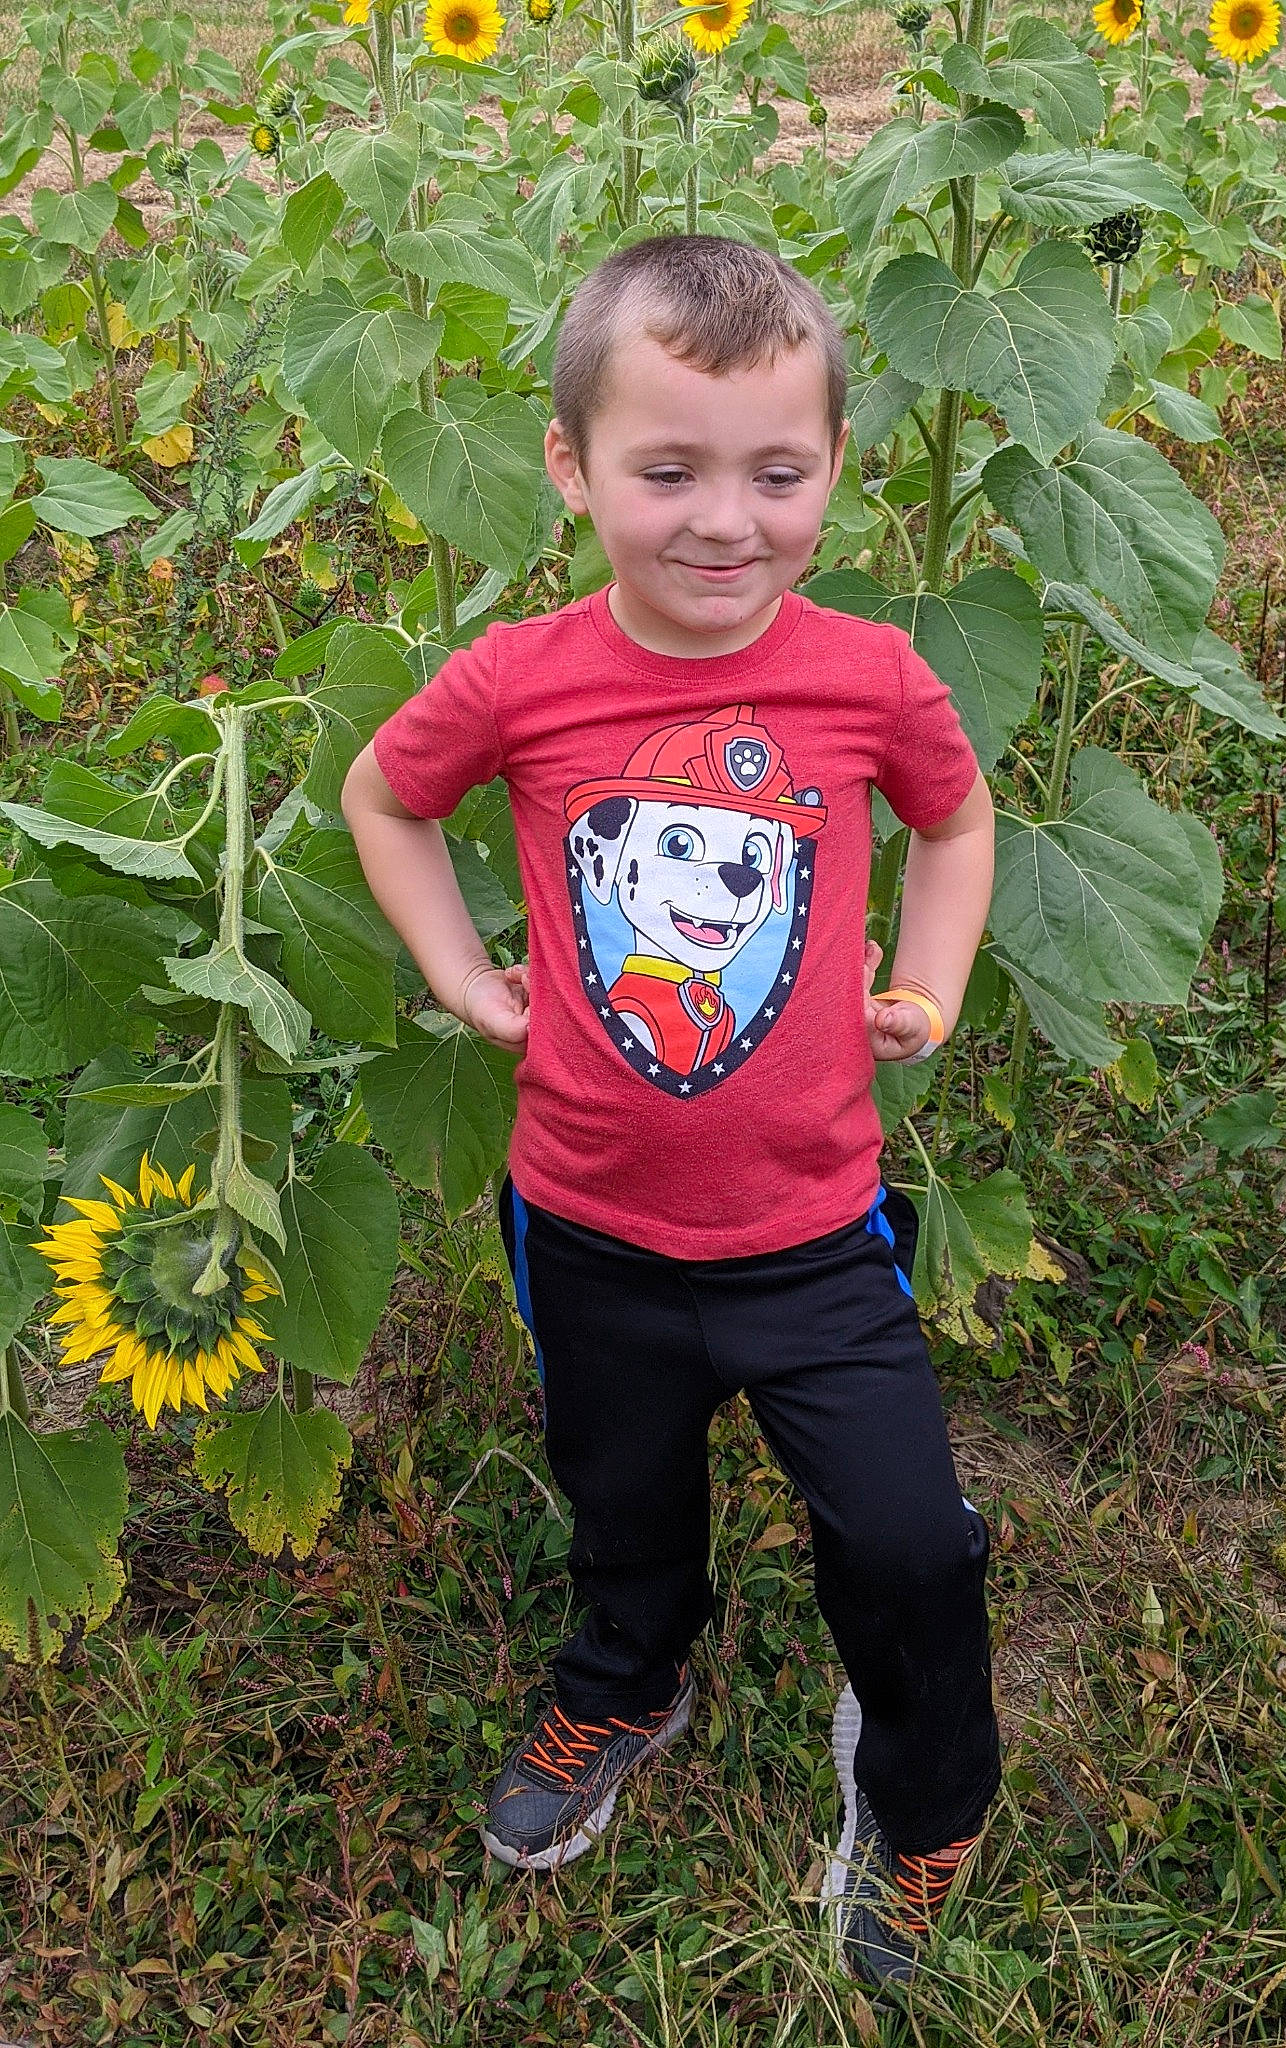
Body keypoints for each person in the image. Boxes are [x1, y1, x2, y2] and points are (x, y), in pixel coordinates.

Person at [341, 233, 1000, 1993]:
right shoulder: (522, 677)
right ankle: (627, 1681)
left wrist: (929, 985)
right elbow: (386, 796)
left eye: (777, 474)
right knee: (619, 1499)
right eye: (668, 472)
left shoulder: (870, 677)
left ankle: (924, 1798)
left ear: (835, 467)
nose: (725, 521)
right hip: (587, 1221)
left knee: (909, 1541)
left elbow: (955, 820)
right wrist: (460, 974)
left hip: (811, 1229)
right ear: (570, 467)